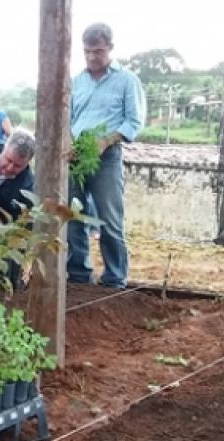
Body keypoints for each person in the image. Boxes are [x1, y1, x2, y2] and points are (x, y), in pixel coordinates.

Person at [67, 22, 145, 289]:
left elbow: (134, 121)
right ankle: (78, 275)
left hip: (107, 156)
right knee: (72, 217)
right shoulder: (76, 82)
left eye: (98, 51)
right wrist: (68, 143)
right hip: (75, 157)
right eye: (87, 51)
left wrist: (105, 141)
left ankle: (115, 278)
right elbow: (66, 120)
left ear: (110, 49)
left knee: (109, 219)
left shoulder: (127, 80)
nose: (92, 57)